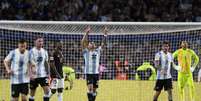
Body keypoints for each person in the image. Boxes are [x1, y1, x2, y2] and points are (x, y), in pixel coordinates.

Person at [81, 27, 108, 101]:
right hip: (88, 73)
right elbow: (82, 42)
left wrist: (105, 35)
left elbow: (103, 44)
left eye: (93, 43)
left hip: (96, 73)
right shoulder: (86, 52)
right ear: (88, 46)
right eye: (90, 43)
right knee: (90, 89)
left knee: (94, 91)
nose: (91, 43)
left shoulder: (97, 51)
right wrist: (86, 33)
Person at [29, 36, 50, 101]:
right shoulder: (31, 51)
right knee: (32, 93)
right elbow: (29, 63)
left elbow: (46, 63)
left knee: (47, 91)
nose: (41, 43)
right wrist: (30, 74)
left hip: (43, 75)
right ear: (35, 42)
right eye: (39, 41)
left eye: (42, 41)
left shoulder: (45, 51)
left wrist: (48, 73)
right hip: (34, 76)